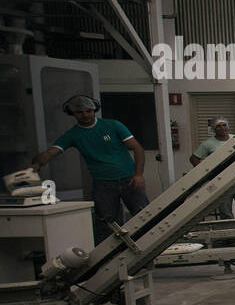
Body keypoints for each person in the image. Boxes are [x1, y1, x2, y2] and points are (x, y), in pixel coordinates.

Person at [29, 94, 148, 246]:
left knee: (144, 216)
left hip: (129, 179)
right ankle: (109, 258)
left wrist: (138, 175)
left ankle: (149, 249)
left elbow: (137, 148)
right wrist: (36, 165)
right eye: (80, 112)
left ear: (94, 110)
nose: (85, 115)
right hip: (103, 184)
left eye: (88, 111)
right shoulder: (73, 135)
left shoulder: (113, 125)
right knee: (107, 224)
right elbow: (50, 153)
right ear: (73, 113)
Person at [190, 117, 235, 219]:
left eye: (224, 125)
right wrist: (206, 174)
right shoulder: (207, 144)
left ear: (228, 126)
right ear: (214, 129)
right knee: (225, 211)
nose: (222, 128)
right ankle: (231, 235)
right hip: (220, 182)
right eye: (218, 126)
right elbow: (194, 158)